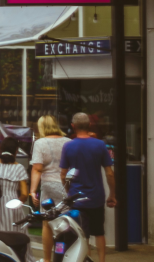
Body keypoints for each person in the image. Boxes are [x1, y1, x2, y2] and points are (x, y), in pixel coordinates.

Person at [61, 112, 116, 262]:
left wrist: (68, 192)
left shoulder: (68, 146)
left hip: (76, 197)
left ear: (73, 126)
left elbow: (63, 174)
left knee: (82, 233)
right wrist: (112, 194)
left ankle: (87, 258)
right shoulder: (99, 144)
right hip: (96, 196)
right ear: (90, 125)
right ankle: (102, 260)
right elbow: (109, 173)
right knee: (99, 232)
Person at [30, 115, 71, 262]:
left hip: (48, 185)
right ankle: (63, 255)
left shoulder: (40, 143)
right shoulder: (68, 142)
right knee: (66, 222)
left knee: (47, 223)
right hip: (66, 185)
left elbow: (37, 168)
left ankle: (48, 259)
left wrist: (33, 190)